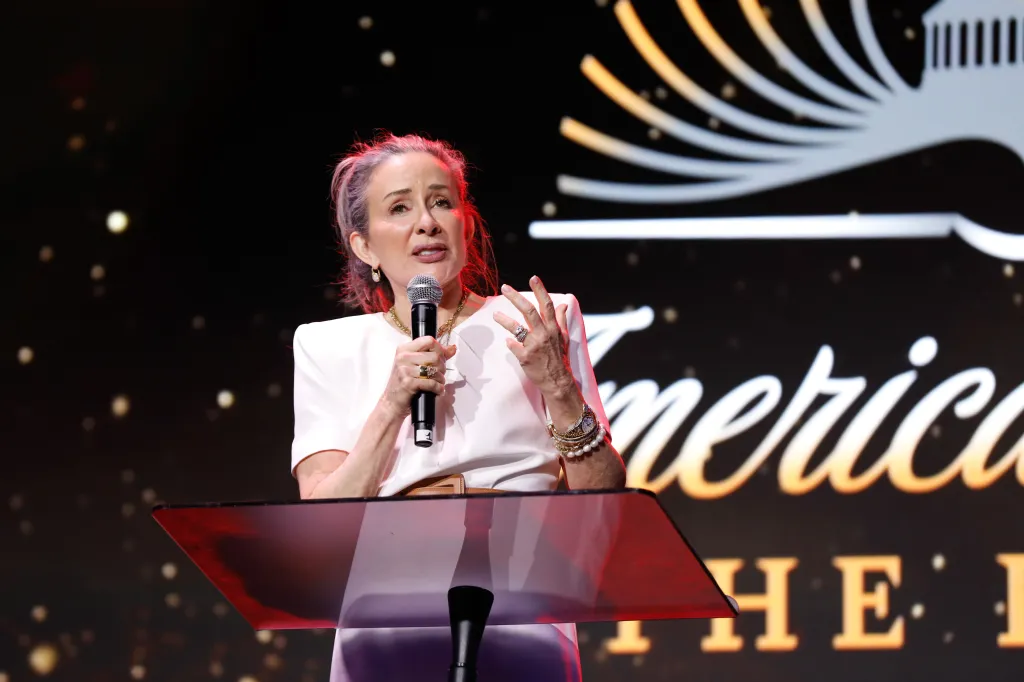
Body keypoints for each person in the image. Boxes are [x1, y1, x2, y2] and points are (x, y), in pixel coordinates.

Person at [290, 132, 627, 682]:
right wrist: (392, 404)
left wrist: (557, 385)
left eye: (441, 202)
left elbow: (602, 496)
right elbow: (321, 522)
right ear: (365, 247)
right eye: (400, 208)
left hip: (520, 605)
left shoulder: (539, 320)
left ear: (466, 226)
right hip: (384, 619)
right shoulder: (326, 345)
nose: (426, 222)